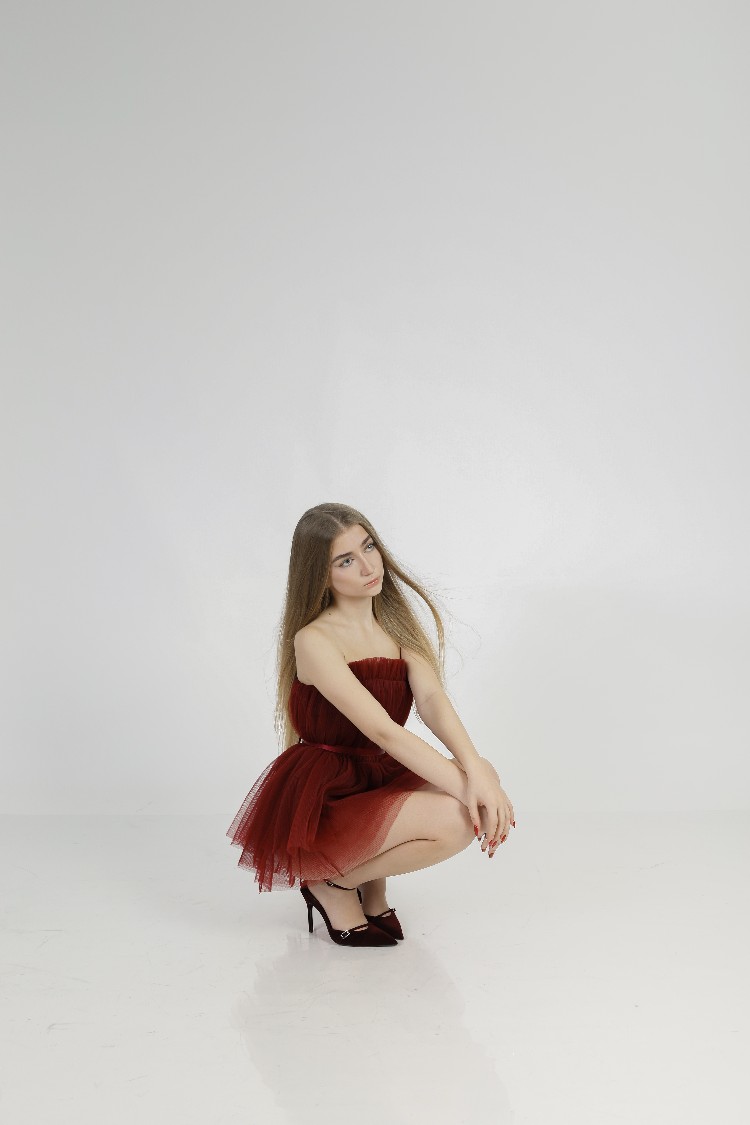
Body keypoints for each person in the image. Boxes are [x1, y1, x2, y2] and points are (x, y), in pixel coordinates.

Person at [226, 502, 515, 947]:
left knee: (484, 773)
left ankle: (371, 890)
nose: (368, 566)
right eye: (345, 560)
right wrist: (469, 791)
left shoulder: (394, 624)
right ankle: (333, 883)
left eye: (369, 547)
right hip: (331, 787)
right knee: (460, 817)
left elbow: (432, 700)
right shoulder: (314, 640)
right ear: (321, 576)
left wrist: (476, 773)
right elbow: (383, 730)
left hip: (378, 769)